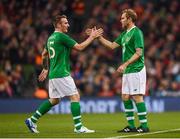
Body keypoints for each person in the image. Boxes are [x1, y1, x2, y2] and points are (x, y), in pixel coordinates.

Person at [25, 15, 102, 133]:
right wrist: (92, 37)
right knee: (75, 97)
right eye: (65, 23)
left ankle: (32, 120)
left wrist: (46, 69)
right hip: (61, 73)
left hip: (53, 75)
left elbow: (44, 53)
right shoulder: (62, 37)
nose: (68, 25)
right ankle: (78, 127)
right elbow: (80, 47)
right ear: (59, 25)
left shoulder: (51, 38)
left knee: (54, 100)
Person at [89, 9, 149, 133]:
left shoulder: (137, 32)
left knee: (137, 97)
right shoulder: (124, 34)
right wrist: (97, 37)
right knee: (125, 97)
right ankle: (131, 126)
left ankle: (144, 126)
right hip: (128, 70)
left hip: (136, 69)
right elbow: (111, 46)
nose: (120, 20)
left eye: (123, 18)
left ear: (130, 19)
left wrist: (125, 64)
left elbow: (139, 53)